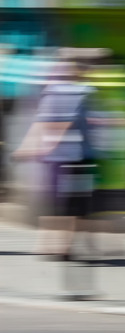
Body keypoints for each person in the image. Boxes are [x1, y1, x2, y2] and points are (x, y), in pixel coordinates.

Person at [11, 55, 97, 260]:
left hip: (62, 157)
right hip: (76, 157)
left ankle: (52, 245)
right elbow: (47, 123)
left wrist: (30, 149)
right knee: (70, 204)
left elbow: (43, 124)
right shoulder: (82, 92)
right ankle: (60, 246)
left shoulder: (54, 92)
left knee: (58, 202)